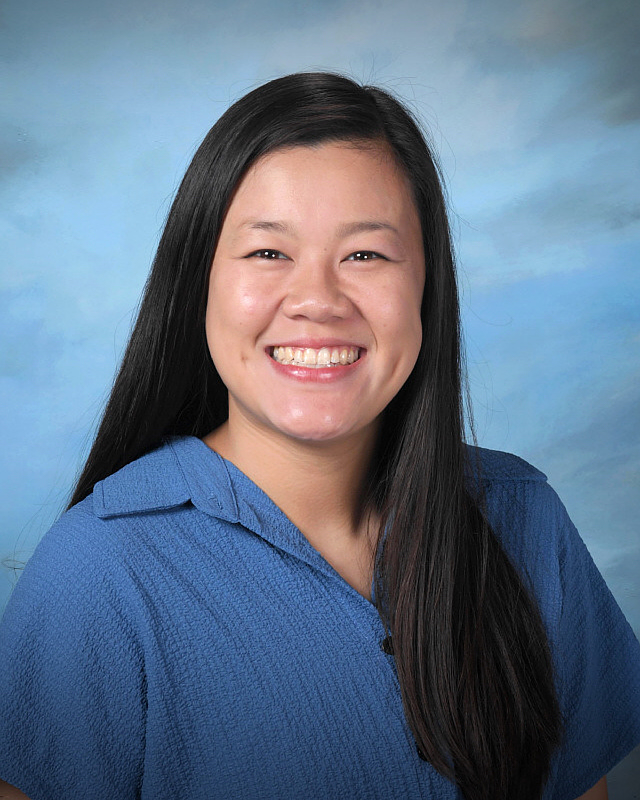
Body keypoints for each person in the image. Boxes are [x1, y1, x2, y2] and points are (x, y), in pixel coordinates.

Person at [0, 72, 639, 800]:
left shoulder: (524, 518)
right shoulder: (97, 575)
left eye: (365, 255)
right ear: (197, 282)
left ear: (427, 285)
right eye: (268, 253)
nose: (317, 301)